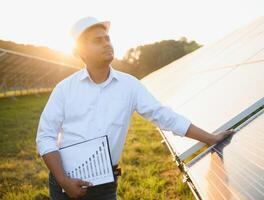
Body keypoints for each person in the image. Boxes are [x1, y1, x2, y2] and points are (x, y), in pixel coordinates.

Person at [36, 16, 235, 200]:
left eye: (107, 38)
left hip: (105, 186)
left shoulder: (129, 85)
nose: (107, 43)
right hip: (64, 183)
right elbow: (45, 136)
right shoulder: (64, 89)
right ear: (79, 51)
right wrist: (63, 180)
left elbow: (163, 116)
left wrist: (209, 138)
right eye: (98, 40)